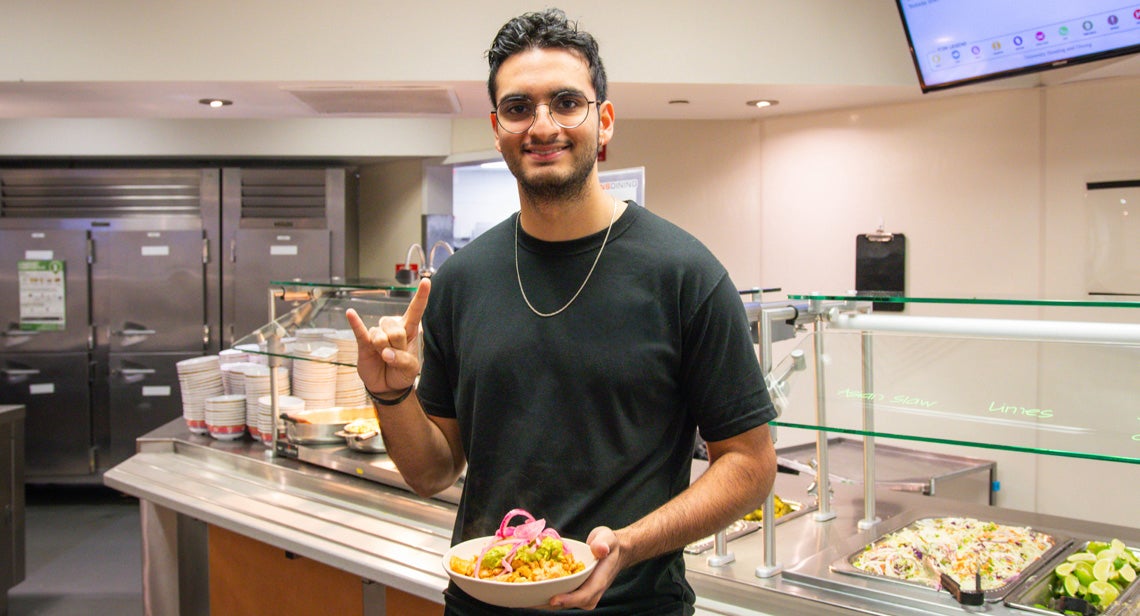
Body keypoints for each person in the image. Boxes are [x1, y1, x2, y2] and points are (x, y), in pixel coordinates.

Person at [346, 8, 777, 615]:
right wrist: (390, 397)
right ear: (496, 128)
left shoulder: (685, 274)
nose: (542, 125)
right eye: (519, 108)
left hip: (633, 606)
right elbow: (433, 470)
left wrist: (628, 545)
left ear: (602, 122)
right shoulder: (463, 281)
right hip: (481, 605)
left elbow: (751, 464)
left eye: (566, 102)